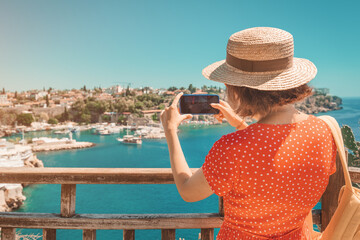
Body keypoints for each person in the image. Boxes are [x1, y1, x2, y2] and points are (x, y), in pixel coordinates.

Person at [160, 27, 336, 239]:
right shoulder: (324, 133)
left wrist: (170, 131)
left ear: (236, 87)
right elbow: (274, 155)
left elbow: (188, 190)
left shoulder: (232, 149)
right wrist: (240, 123)